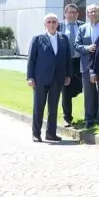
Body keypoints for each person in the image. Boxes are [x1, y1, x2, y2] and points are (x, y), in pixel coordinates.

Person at [27, 14, 72, 142]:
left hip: (57, 79)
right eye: (49, 22)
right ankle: (36, 134)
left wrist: (68, 74)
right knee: (38, 107)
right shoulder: (37, 39)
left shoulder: (64, 38)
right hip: (40, 79)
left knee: (53, 107)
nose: (52, 24)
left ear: (58, 24)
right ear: (45, 24)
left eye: (54, 22)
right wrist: (30, 77)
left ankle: (51, 134)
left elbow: (67, 58)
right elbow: (31, 60)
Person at [75, 4, 99, 129]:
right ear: (87, 14)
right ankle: (89, 118)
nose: (93, 14)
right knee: (89, 93)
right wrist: (87, 48)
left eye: (95, 11)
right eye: (90, 12)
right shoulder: (82, 28)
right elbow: (77, 45)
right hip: (86, 65)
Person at [59, 3, 83, 127]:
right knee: (66, 90)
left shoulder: (82, 25)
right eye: (70, 12)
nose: (72, 14)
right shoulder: (59, 26)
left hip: (80, 62)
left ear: (77, 14)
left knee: (84, 87)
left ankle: (92, 115)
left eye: (74, 12)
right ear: (65, 13)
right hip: (65, 62)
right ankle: (67, 118)